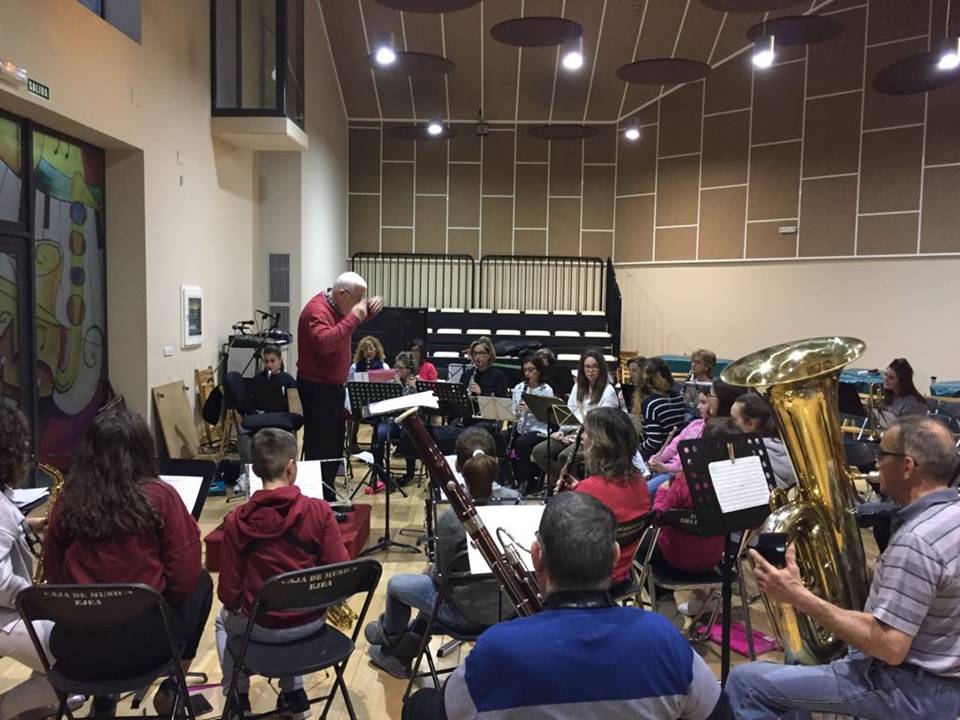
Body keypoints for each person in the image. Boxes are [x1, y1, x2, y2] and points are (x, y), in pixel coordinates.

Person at [403, 492, 732, 720]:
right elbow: (720, 713)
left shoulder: (498, 649)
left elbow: (443, 712)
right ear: (615, 556)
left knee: (418, 705)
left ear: (536, 556)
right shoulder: (664, 637)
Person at [726, 416, 960, 720]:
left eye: (882, 454)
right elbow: (931, 585)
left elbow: (889, 647)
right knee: (791, 673)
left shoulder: (916, 541)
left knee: (745, 682)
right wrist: (857, 566)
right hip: (943, 680)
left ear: (907, 467)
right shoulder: (950, 517)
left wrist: (797, 595)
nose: (876, 462)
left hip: (904, 688)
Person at [42, 409, 213, 716]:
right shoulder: (161, 496)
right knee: (202, 582)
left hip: (77, 649)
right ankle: (174, 687)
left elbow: (54, 577)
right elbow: (184, 577)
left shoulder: (69, 498)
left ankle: (105, 697)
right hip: (143, 647)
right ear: (144, 448)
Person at [215, 428, 348, 718]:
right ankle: (294, 693)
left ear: (255, 469)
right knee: (294, 602)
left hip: (260, 627)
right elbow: (340, 572)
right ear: (291, 467)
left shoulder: (236, 521)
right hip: (311, 624)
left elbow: (228, 594)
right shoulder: (319, 511)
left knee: (222, 620)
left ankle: (237, 696)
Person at [365, 427, 515, 680]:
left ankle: (390, 638)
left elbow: (442, 579)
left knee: (397, 585)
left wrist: (430, 572)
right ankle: (399, 652)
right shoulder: (516, 501)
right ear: (495, 462)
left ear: (457, 466)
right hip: (509, 609)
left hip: (466, 615)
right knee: (431, 593)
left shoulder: (450, 518)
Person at [297, 271, 383, 501]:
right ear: (342, 294)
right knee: (321, 447)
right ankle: (318, 500)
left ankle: (327, 495)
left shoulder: (339, 307)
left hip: (332, 386)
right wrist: (355, 317)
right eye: (358, 298)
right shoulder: (316, 312)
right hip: (317, 387)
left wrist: (370, 309)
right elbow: (325, 343)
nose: (360, 303)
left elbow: (348, 321)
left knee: (335, 445)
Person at [0, 406, 60, 720]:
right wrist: (37, 598)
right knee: (79, 656)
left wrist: (28, 524)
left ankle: (39, 702)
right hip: (5, 616)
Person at [648, 417, 738, 619]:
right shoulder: (736, 482)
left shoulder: (686, 480)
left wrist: (662, 492)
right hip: (715, 557)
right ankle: (703, 599)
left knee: (645, 544)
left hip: (676, 558)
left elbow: (659, 516)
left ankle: (665, 604)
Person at [556, 407, 651, 591]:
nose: (582, 437)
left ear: (598, 444)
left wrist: (563, 502)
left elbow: (568, 540)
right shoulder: (640, 481)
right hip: (623, 571)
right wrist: (577, 491)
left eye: (586, 432)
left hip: (590, 579)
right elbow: (612, 504)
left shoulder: (589, 490)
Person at [531, 350, 620, 488]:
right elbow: (569, 413)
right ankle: (570, 483)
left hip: (592, 437)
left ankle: (574, 488)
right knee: (539, 452)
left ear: (601, 368)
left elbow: (604, 423)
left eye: (594, 367)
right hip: (572, 432)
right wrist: (561, 432)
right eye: (587, 367)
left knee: (564, 457)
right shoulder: (578, 386)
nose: (591, 371)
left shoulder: (608, 391)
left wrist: (582, 435)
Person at [647, 380, 742, 495]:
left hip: (680, 475)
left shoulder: (720, 431)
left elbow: (693, 464)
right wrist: (658, 458)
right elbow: (674, 445)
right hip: (670, 469)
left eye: (709, 397)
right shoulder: (695, 424)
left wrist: (666, 467)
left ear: (723, 401)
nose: (698, 406)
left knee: (645, 492)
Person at [368, 351, 420, 492]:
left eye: (400, 368)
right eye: (395, 367)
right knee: (378, 433)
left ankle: (409, 473)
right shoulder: (390, 382)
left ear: (409, 369)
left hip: (407, 424)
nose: (396, 370)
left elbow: (409, 406)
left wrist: (402, 387)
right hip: (390, 422)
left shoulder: (415, 383)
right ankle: (380, 472)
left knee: (409, 435)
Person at [506, 354, 554, 494]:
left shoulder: (546, 390)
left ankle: (528, 481)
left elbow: (548, 417)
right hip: (521, 428)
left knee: (522, 443)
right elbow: (513, 411)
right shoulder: (519, 387)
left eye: (531, 370)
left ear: (539, 371)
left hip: (540, 430)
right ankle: (510, 479)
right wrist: (516, 412)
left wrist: (532, 409)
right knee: (502, 439)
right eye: (525, 370)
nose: (528, 373)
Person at [731, 392, 797, 489]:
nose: (729, 423)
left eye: (733, 420)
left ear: (751, 424)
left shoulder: (751, 455)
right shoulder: (794, 445)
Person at [639, 357, 689, 459]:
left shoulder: (650, 404)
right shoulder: (678, 397)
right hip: (675, 452)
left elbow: (654, 441)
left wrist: (638, 448)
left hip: (656, 456)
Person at [872, 357, 928, 431]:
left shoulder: (914, 404)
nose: (885, 379)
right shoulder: (890, 396)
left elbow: (910, 431)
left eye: (891, 378)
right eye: (885, 374)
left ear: (901, 381)